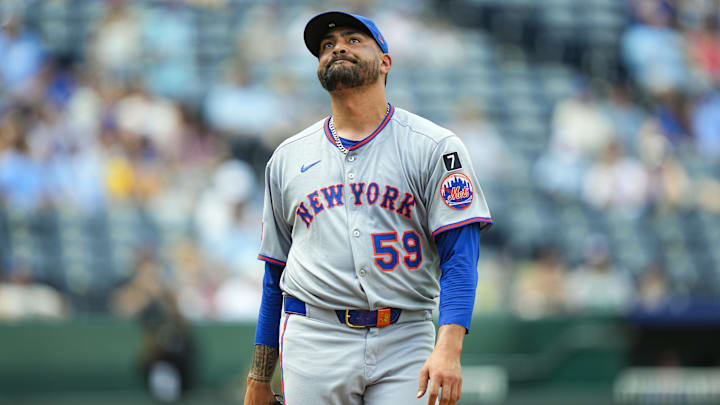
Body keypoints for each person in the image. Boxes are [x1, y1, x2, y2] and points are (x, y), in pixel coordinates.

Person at [243, 11, 492, 405]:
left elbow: (460, 257)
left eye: (353, 39)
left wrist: (449, 346)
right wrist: (259, 376)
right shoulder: (287, 158)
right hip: (315, 336)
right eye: (327, 45)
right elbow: (275, 274)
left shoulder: (434, 146)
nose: (338, 46)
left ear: (386, 62)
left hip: (405, 335)